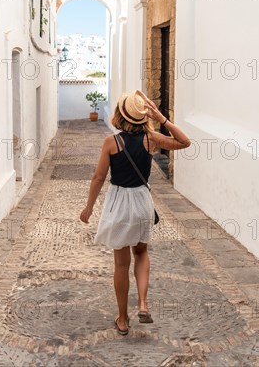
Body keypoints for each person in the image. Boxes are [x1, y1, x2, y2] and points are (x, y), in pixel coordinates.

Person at [79, 90, 191, 335]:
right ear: (143, 117)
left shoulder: (111, 142)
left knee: (121, 264)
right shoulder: (151, 139)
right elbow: (184, 142)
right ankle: (143, 303)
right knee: (141, 252)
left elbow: (99, 177)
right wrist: (161, 118)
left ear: (120, 114)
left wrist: (88, 207)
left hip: (119, 203)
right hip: (142, 202)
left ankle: (122, 318)